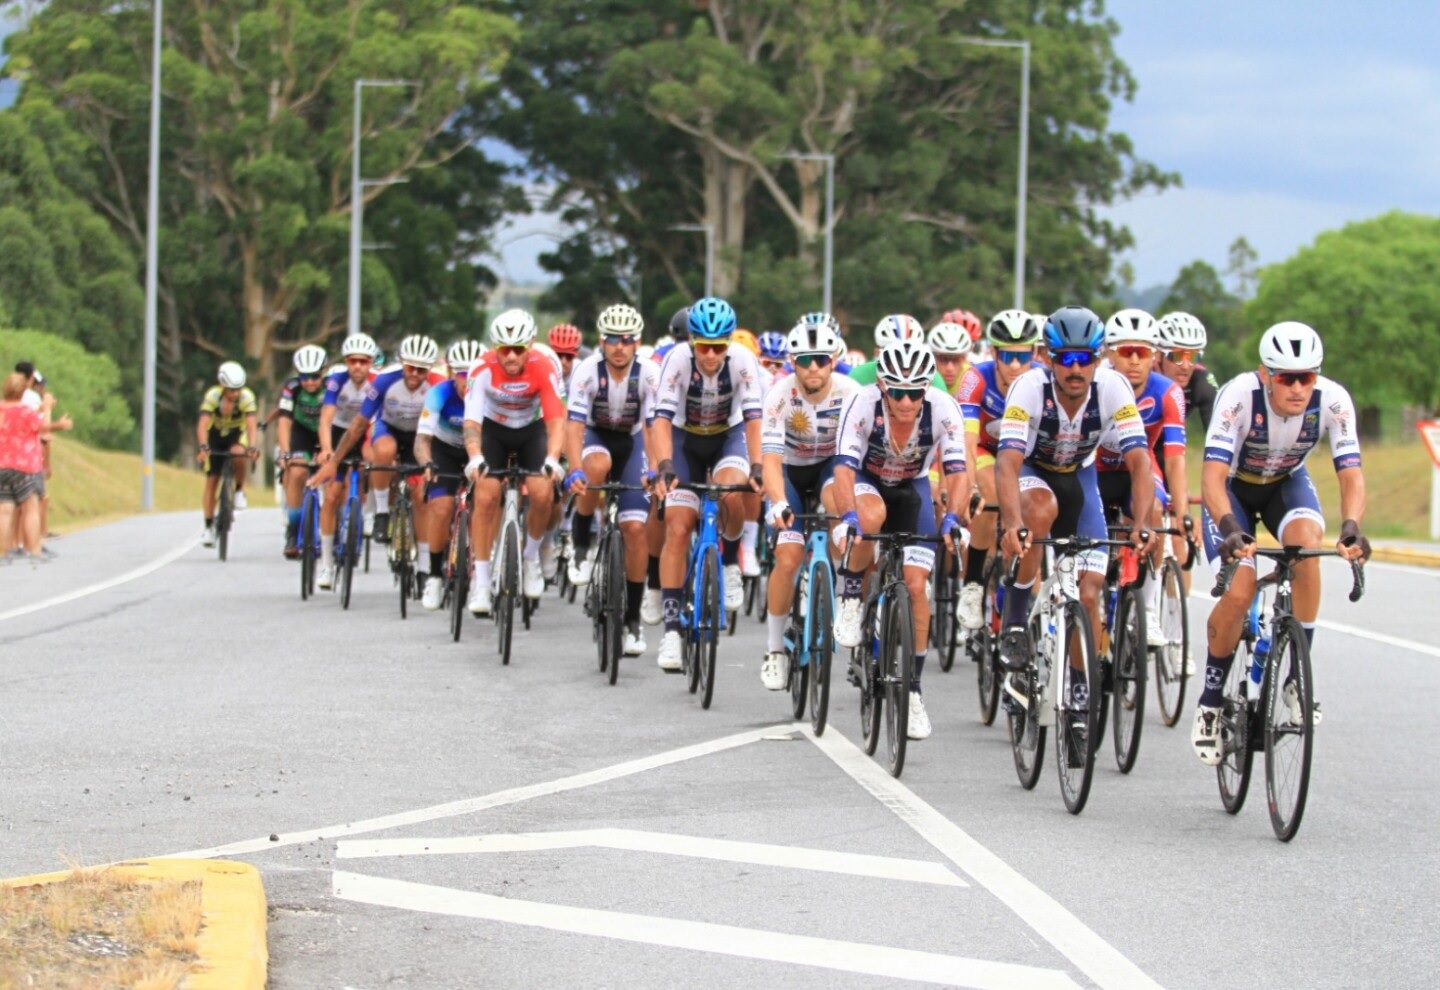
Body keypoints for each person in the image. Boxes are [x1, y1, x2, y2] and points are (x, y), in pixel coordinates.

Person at [1189, 321, 1369, 765]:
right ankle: (1211, 702)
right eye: (1285, 377)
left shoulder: (1334, 401)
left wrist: (1351, 527)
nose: (1296, 387)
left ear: (1317, 376)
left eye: (1305, 376)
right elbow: (1211, 478)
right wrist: (1230, 528)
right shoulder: (1237, 397)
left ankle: (1295, 677)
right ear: (1265, 374)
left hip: (1284, 484)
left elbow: (1351, 474)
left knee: (1309, 549)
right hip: (1232, 490)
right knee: (1240, 589)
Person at [994, 306, 1155, 741]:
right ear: (1047, 357)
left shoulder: (1113, 388)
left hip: (1080, 476)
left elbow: (1140, 462)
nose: (1076, 368)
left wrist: (1142, 522)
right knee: (1039, 513)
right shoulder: (1028, 387)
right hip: (1034, 471)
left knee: (1089, 594)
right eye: (1066, 358)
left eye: (1085, 358)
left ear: (1099, 358)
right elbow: (1006, 463)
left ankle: (1081, 695)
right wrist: (1012, 523)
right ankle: (1013, 618)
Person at [831, 337, 970, 739]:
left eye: (914, 393)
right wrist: (849, 516)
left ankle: (912, 691)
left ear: (925, 389)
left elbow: (958, 472)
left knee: (915, 585)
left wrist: (953, 518)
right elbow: (843, 469)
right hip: (868, 481)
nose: (906, 403)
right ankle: (852, 597)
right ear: (883, 387)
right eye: (898, 393)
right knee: (868, 521)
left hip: (913, 487)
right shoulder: (862, 404)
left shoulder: (944, 409)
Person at [650, 297, 765, 671]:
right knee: (679, 527)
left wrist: (759, 465)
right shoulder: (677, 361)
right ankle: (670, 632)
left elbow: (752, 420)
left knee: (732, 491)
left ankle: (730, 563)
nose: (712, 354)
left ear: (729, 342)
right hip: (685, 441)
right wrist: (665, 464)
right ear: (692, 341)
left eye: (719, 346)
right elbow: (663, 419)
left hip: (727, 437)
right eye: (704, 346)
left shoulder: (743, 361)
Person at [758, 318, 859, 689]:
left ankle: (840, 580)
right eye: (804, 360)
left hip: (832, 467)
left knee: (838, 503)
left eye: (820, 359)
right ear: (792, 362)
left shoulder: (851, 393)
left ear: (833, 360)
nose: (812, 367)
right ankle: (774, 651)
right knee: (787, 559)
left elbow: (855, 458)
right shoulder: (779, 396)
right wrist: (778, 502)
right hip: (790, 470)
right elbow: (769, 459)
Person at [563, 303, 659, 655]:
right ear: (601, 341)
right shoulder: (587, 371)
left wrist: (652, 469)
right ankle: (582, 543)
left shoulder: (650, 373)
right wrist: (574, 469)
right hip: (596, 436)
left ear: (637, 342)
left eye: (627, 340)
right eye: (613, 340)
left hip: (632, 440)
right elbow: (573, 426)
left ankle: (632, 619)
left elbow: (652, 428)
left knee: (635, 530)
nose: (620, 346)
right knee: (596, 467)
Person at [462, 309, 566, 613]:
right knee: (486, 493)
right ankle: (481, 584)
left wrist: (553, 459)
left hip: (531, 430)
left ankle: (531, 557)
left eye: (518, 349)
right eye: (503, 349)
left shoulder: (543, 366)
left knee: (542, 491)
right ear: (495, 347)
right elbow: (471, 422)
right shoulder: (481, 368)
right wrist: (474, 457)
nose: (510, 356)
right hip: (493, 430)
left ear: (530, 344)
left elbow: (556, 421)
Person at [1095, 309, 1187, 643]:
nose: (1134, 360)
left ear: (1155, 357)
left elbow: (1175, 458)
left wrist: (1183, 510)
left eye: (1143, 352)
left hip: (1140, 472)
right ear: (1109, 354)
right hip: (1097, 470)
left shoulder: (1168, 392)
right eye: (1125, 351)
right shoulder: (1097, 383)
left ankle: (1147, 609)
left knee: (1155, 513)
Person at [311, 335, 439, 565]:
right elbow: (359, 425)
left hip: (419, 436)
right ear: (402, 363)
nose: (415, 375)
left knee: (421, 497)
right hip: (388, 428)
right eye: (410, 368)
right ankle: (381, 511)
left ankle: (423, 565)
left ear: (429, 369)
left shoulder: (437, 385)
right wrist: (333, 461)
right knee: (383, 449)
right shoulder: (384, 381)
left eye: (422, 371)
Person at [953, 309, 1044, 628]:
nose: (1016, 365)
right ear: (993, 353)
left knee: (1036, 509)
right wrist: (969, 487)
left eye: (1023, 355)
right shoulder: (976, 378)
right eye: (1007, 355)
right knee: (990, 494)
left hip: (1024, 455)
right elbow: (965, 440)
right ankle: (974, 584)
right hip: (984, 449)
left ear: (1035, 353)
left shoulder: (1043, 379)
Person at [415, 340, 484, 610]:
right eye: (460, 374)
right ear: (452, 373)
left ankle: (480, 572)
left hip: (476, 450)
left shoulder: (488, 393)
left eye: (472, 374)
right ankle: (433, 575)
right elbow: (422, 438)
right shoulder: (438, 394)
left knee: (485, 504)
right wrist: (426, 463)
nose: (466, 381)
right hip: (444, 450)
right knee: (441, 507)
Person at [314, 333, 380, 589]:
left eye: (363, 361)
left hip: (367, 430)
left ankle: (370, 510)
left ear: (370, 362)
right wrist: (328, 451)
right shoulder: (336, 382)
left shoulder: (377, 382)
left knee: (372, 457)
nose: (358, 367)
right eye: (353, 361)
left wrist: (368, 446)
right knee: (331, 496)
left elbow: (377, 423)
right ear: (346, 361)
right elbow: (325, 420)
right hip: (340, 433)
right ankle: (327, 565)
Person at [0, 372, 71, 560]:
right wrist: (48, 409)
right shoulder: (25, 411)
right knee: (31, 507)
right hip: (24, 465)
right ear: (24, 390)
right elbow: (43, 427)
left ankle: (2, 551)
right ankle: (35, 550)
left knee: (5, 509)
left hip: (2, 464)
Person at [196, 361, 259, 545]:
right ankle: (208, 527)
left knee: (239, 453)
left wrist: (253, 446)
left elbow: (251, 425)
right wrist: (203, 446)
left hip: (236, 434)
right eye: (232, 390)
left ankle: (239, 490)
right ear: (223, 386)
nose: (236, 393)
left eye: (238, 389)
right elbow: (202, 424)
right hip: (216, 434)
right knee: (212, 481)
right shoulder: (213, 396)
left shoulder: (247, 397)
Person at [276, 345, 329, 559]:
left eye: (315, 377)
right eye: (305, 377)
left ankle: (336, 530)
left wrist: (328, 450)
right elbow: (284, 422)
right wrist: (285, 453)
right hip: (302, 432)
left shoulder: (332, 387)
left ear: (323, 373)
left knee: (333, 475)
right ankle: (293, 529)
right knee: (297, 473)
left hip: (327, 432)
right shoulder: (291, 388)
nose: (309, 382)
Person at [1154, 312, 1216, 431]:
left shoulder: (1202, 382)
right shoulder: (1140, 376)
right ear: (1158, 355)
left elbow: (1217, 437)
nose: (1186, 366)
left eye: (1193, 357)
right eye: (1177, 356)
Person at [846, 315, 946, 388]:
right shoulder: (857, 377)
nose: (903, 362)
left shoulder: (934, 379)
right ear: (877, 353)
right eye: (895, 355)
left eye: (910, 354)